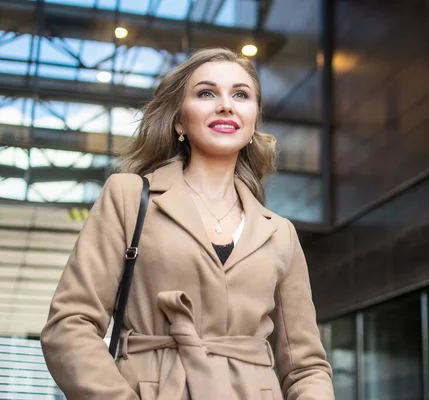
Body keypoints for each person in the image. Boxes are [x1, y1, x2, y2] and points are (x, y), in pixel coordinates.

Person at [40, 47, 334, 400]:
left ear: (254, 118)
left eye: (241, 94)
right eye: (206, 93)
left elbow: (306, 367)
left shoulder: (279, 232)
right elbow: (69, 326)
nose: (226, 105)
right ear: (179, 120)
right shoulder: (130, 197)